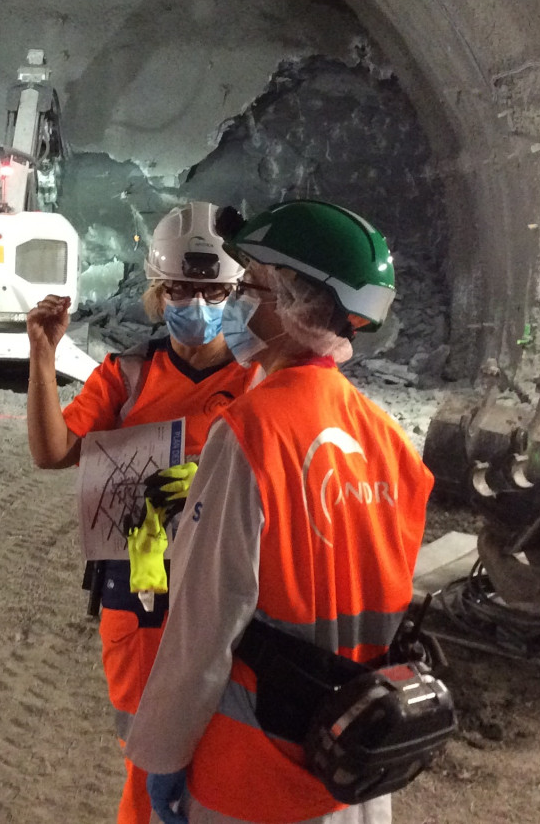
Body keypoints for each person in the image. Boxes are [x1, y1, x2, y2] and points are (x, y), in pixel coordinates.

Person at [123, 199, 435, 824]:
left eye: (252, 286)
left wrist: (160, 756)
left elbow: (203, 625)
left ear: (296, 307)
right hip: (353, 767)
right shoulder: (388, 440)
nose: (235, 303)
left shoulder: (252, 434)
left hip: (254, 777)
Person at [26, 201, 261, 824]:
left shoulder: (261, 383)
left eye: (213, 289)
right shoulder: (127, 375)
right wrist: (44, 360)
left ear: (238, 293)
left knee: (226, 762)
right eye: (181, 288)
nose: (198, 303)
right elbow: (53, 451)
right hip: (142, 596)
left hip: (228, 598)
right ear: (158, 293)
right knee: (150, 764)